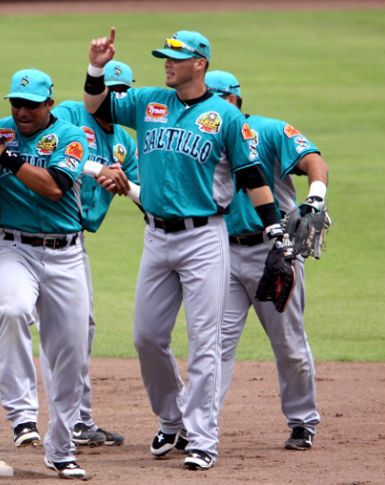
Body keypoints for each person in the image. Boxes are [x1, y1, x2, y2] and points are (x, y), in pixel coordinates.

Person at [83, 28, 286, 471]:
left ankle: (202, 438)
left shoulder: (225, 117)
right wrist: (96, 67)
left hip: (204, 238)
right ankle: (172, 420)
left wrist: (274, 226)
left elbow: (252, 175)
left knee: (205, 340)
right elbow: (97, 106)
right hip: (156, 237)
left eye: (176, 58)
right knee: (147, 337)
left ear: (200, 63)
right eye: (165, 57)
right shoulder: (149, 101)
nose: (167, 64)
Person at [0, 68, 125, 479]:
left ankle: (61, 450)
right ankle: (22, 416)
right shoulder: (0, 133)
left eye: (31, 105)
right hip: (14, 248)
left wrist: (1, 154)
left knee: (70, 358)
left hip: (66, 256)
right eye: (16, 104)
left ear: (49, 105)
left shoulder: (71, 136)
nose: (22, 112)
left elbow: (55, 185)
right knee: (12, 309)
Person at [205, 70, 327, 450]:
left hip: (271, 251)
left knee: (288, 343)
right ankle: (201, 425)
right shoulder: (201, 138)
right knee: (215, 344)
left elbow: (313, 160)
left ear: (233, 100)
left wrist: (315, 198)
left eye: (217, 98)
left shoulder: (269, 130)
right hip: (221, 251)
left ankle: (302, 421)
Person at [21, 60, 138, 448]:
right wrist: (94, 169)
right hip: (31, 230)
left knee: (81, 328)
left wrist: (126, 186)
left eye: (122, 92)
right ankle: (67, 421)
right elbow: (43, 149)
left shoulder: (125, 141)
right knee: (53, 327)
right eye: (110, 90)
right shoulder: (71, 113)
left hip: (72, 242)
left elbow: (143, 193)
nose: (114, 98)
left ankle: (78, 419)